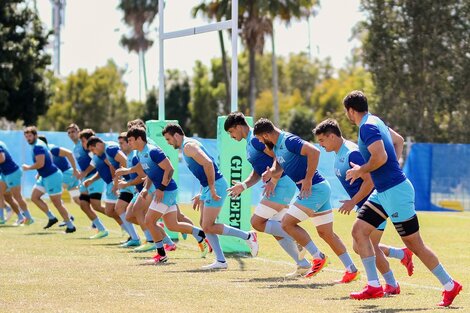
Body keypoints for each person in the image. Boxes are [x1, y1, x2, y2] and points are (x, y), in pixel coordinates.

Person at [343, 90, 461, 306]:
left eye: (347, 113)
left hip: (395, 191)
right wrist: (391, 167)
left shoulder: (367, 127)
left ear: (351, 111)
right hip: (384, 191)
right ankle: (374, 286)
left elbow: (380, 157)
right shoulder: (376, 121)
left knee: (415, 245)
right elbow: (398, 141)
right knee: (359, 231)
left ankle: (450, 285)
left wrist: (362, 170)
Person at [314, 118, 415, 293]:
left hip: (376, 202)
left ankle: (389, 283)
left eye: (322, 140)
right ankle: (400, 257)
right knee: (361, 246)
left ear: (331, 136)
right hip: (365, 204)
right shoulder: (339, 154)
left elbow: (370, 180)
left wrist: (353, 202)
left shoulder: (352, 152)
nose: (321, 145)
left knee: (368, 246)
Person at [253, 118, 358, 281]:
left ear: (266, 135)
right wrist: (272, 172)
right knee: (326, 233)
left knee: (287, 223)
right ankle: (351, 269)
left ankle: (318, 257)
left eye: (260, 138)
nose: (260, 142)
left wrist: (308, 179)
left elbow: (314, 152)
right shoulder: (278, 145)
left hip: (315, 189)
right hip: (319, 188)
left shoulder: (288, 140)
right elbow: (280, 164)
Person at [224, 112, 310, 277]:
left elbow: (279, 156)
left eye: (231, 132)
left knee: (257, 222)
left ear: (237, 126)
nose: (231, 136)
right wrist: (244, 185)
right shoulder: (249, 142)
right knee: (276, 230)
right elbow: (257, 172)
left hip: (283, 184)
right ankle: (303, 265)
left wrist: (274, 180)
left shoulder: (256, 139)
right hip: (277, 185)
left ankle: (300, 238)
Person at [163, 124, 258, 270]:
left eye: (169, 139)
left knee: (208, 225)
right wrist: (203, 191)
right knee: (205, 224)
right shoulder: (190, 145)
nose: (169, 143)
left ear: (176, 135)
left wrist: (212, 188)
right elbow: (206, 166)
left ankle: (248, 236)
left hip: (216, 185)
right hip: (209, 186)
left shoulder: (189, 146)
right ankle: (221, 260)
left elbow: (208, 164)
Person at [86, 136, 140, 246]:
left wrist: (118, 181)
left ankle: (151, 230)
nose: (93, 153)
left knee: (131, 211)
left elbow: (123, 162)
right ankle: (134, 236)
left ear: (97, 145)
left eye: (92, 150)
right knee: (116, 210)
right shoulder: (102, 153)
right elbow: (111, 166)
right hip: (121, 182)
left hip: (127, 182)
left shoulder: (109, 148)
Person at [22, 126, 75, 233]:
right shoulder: (38, 145)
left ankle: (70, 226)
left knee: (57, 203)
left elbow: (40, 163)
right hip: (45, 176)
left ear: (35, 136)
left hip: (52, 176)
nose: (28, 138)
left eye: (30, 136)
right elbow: (49, 158)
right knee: (34, 197)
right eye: (26, 136)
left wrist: (28, 168)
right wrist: (40, 173)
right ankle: (51, 217)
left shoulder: (38, 146)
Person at [67, 124, 108, 239]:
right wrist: (80, 173)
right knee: (84, 204)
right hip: (85, 179)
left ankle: (121, 218)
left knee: (97, 205)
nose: (71, 134)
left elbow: (95, 160)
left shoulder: (85, 145)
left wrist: (85, 172)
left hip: (94, 177)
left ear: (78, 132)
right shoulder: (75, 148)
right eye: (69, 132)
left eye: (73, 131)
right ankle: (101, 229)